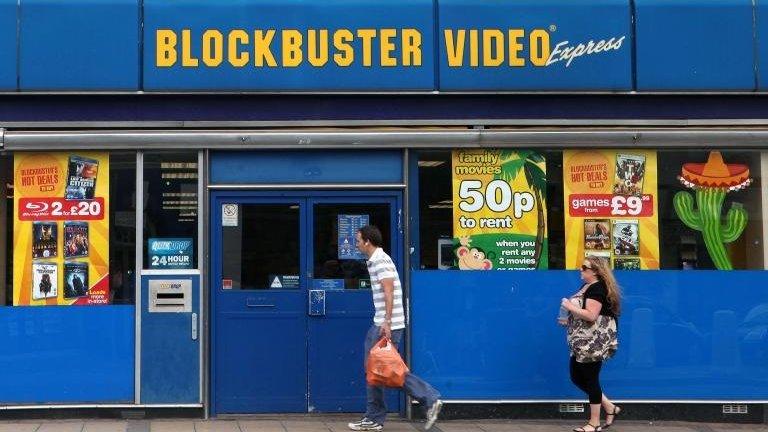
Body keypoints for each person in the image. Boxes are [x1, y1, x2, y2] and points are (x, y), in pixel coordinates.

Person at [348, 225, 443, 432]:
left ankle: (427, 397)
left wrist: (387, 323)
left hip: (385, 324)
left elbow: (389, 292)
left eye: (358, 240)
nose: (356, 244)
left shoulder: (380, 261)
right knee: (377, 370)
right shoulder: (375, 260)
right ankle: (375, 416)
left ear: (367, 241)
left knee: (382, 370)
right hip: (382, 322)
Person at [559, 255, 622, 432]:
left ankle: (594, 424)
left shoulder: (597, 289)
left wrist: (569, 307)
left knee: (591, 379)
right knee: (576, 377)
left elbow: (591, 315)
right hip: (582, 341)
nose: (581, 269)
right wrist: (569, 317)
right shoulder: (588, 286)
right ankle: (610, 407)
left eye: (584, 268)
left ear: (595, 272)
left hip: (592, 341)